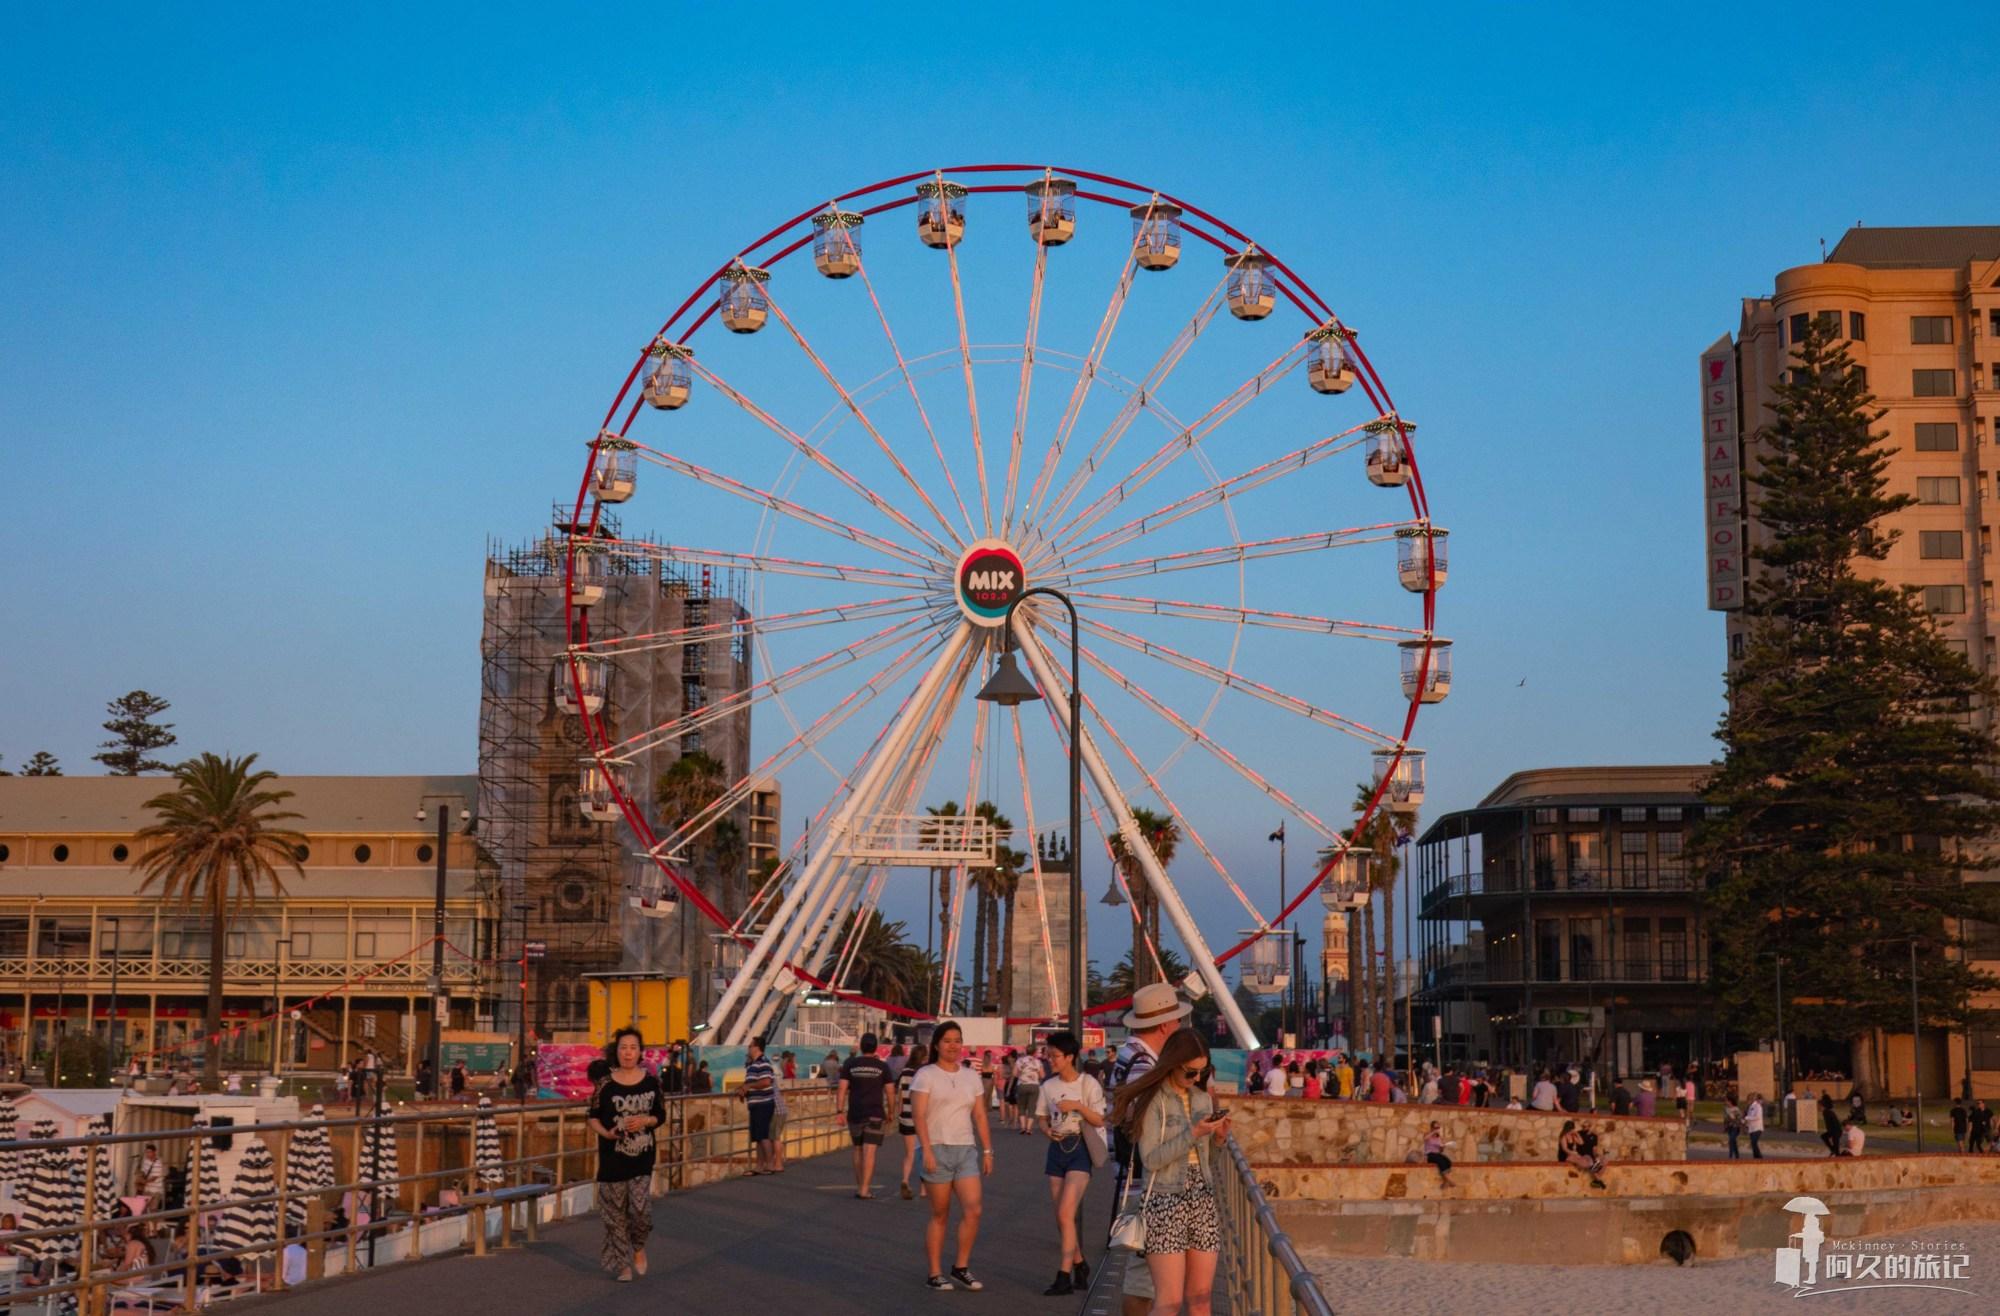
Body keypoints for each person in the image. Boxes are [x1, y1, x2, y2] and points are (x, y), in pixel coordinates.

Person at [1112, 1028, 1229, 1316]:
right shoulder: (1154, 1101)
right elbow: (1151, 1159)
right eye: (1191, 1072)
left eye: (1203, 1072)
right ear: (1173, 1064)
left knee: (1201, 1301)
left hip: (1202, 1198)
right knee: (1169, 1302)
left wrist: (1218, 1139)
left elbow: (1206, 1160)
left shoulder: (1201, 1100)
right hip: (1165, 1201)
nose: (1196, 1079)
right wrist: (1193, 1132)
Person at [912, 1020, 992, 1292]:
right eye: (947, 1040)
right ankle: (934, 1272)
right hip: (937, 1148)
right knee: (940, 1214)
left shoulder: (971, 1076)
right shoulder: (926, 1074)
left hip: (965, 1149)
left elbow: (980, 1115)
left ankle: (961, 1267)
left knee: (974, 1209)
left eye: (957, 1040)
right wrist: (927, 1149)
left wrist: (988, 1150)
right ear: (936, 1044)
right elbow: (918, 1115)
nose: (953, 1045)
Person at [1109, 983, 1194, 1231]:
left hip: (1134, 1170)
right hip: (1147, 1177)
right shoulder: (1143, 1064)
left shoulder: (1131, 1054)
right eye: (1176, 1020)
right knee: (1147, 1256)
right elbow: (1148, 1116)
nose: (1179, 1026)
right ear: (1164, 1025)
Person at [586, 1027, 663, 1282]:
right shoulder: (605, 1085)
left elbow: (660, 1115)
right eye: (623, 1048)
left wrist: (646, 1120)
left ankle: (638, 1246)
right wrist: (606, 1134)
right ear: (616, 1051)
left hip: (641, 1158)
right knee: (614, 1215)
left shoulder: (651, 1082)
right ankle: (622, 1266)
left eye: (633, 1047)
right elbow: (593, 1118)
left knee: (640, 1210)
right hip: (612, 1159)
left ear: (640, 1051)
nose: (628, 1052)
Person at [1036, 1030, 1106, 1296]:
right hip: (1056, 1149)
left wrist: (1076, 1105)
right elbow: (1041, 1117)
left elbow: (1100, 1120)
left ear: (1070, 1056)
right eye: (1049, 1054)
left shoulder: (1088, 1084)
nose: (1050, 1059)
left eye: (1054, 1055)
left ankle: (1063, 1276)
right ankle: (1080, 1263)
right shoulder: (1048, 1086)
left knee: (1066, 1213)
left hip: (1080, 1150)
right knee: (1061, 1216)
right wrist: (1045, 1130)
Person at [837, 1032, 893, 1198]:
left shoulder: (850, 1065)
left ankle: (859, 1185)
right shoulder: (882, 1067)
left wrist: (839, 1111)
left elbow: (841, 1089)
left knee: (857, 1149)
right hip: (875, 1113)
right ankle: (865, 1189)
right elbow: (890, 1092)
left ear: (861, 1047)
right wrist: (891, 1111)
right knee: (870, 1151)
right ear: (876, 1047)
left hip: (855, 1112)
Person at [895, 1043, 930, 1199]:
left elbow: (900, 1095)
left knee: (909, 1154)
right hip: (921, 1117)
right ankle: (923, 1189)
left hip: (906, 1117)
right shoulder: (924, 1073)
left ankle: (905, 1180)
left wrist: (899, 1113)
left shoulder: (905, 1072)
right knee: (923, 1153)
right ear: (923, 1057)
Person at [741, 1037, 779, 1174]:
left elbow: (766, 1082)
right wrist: (744, 1090)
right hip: (755, 1104)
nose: (748, 1048)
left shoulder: (763, 1063)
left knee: (763, 1135)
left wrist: (749, 1086)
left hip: (763, 1104)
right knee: (757, 1137)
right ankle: (759, 1166)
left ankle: (770, 1165)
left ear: (757, 1048)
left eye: (750, 1046)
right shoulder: (753, 1065)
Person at [1558, 1120, 1607, 1190]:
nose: (1573, 1130)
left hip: (1574, 1155)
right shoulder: (1563, 1137)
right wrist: (1573, 1153)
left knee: (1590, 1161)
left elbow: (1581, 1142)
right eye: (1572, 1129)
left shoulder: (1573, 1136)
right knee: (1587, 1162)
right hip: (1566, 1156)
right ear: (1568, 1129)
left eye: (1573, 1128)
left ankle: (1597, 1179)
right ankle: (1598, 1180)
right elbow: (1565, 1149)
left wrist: (1576, 1135)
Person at [1014, 1046, 1044, 1136]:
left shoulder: (1019, 1061)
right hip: (1034, 1085)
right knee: (1032, 1107)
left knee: (1021, 1107)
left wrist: (1022, 1075)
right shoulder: (1038, 1062)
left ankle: (1022, 1127)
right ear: (1034, 1052)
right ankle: (1028, 1129)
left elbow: (1014, 1074)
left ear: (1026, 1051)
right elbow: (1042, 1075)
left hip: (1022, 1085)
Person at [132, 1143, 166, 1211]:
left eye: (149, 1152)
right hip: (147, 1189)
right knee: (142, 1207)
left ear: (154, 1152)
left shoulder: (158, 1163)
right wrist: (139, 1175)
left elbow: (154, 1178)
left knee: (153, 1209)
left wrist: (143, 1182)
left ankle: (154, 1221)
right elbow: (144, 1172)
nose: (147, 1154)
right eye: (146, 1152)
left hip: (155, 1190)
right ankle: (145, 1222)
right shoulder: (146, 1161)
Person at [1422, 1120, 1456, 1188]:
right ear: (1432, 1128)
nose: (1437, 1129)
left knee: (1447, 1161)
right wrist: (1433, 1132)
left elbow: (1440, 1150)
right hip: (1429, 1154)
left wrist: (1442, 1147)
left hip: (1437, 1154)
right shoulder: (1427, 1134)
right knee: (1440, 1161)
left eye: (1438, 1127)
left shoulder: (1439, 1137)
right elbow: (1425, 1139)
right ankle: (1449, 1181)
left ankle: (1445, 1181)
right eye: (1435, 1127)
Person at [1818, 1092, 1844, 1157]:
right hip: (1834, 1131)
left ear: (1822, 1106)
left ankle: (1835, 1153)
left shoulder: (1826, 1112)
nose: (1818, 1107)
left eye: (1819, 1106)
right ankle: (1833, 1149)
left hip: (1836, 1131)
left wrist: (1832, 1135)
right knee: (1824, 1136)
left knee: (1837, 1151)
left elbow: (1831, 1124)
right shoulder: (1826, 1111)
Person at [1744, 1091, 1765, 1160]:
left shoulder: (1758, 1106)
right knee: (1753, 1144)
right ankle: (1755, 1157)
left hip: (1757, 1128)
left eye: (1748, 1099)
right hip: (1751, 1128)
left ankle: (1759, 1157)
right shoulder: (1750, 1107)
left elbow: (1757, 1117)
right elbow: (1749, 1116)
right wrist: (1745, 1122)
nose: (1747, 1101)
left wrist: (1747, 1118)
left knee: (1754, 1142)